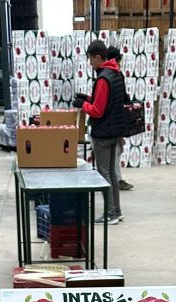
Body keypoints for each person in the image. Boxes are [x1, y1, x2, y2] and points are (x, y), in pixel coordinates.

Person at [73, 40, 126, 225]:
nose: (89, 64)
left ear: (97, 57)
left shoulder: (103, 78)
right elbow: (107, 102)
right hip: (114, 131)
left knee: (104, 173)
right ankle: (117, 211)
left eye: (90, 59)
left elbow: (98, 110)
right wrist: (86, 97)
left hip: (103, 133)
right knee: (111, 172)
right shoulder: (116, 74)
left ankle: (110, 212)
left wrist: (83, 105)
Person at [106, 46, 133, 192]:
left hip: (112, 122)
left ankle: (116, 178)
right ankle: (117, 180)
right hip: (114, 123)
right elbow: (120, 99)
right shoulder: (115, 76)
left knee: (117, 150)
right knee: (115, 152)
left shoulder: (105, 75)